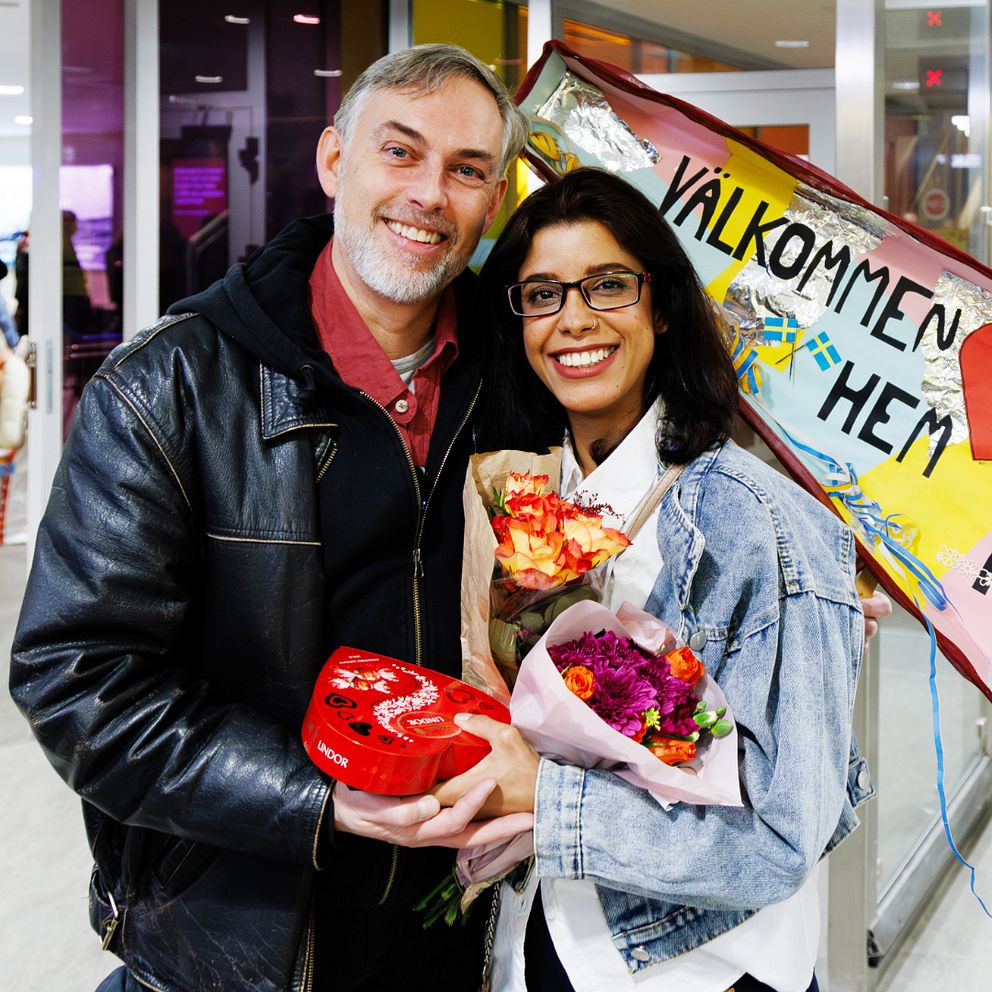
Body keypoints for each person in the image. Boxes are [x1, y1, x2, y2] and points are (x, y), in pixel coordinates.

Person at [9, 44, 532, 992]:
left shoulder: (522, 384)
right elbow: (76, 681)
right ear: (334, 161)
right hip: (236, 940)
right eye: (400, 152)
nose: (428, 195)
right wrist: (316, 798)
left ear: (494, 201)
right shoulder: (169, 387)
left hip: (464, 930)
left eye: (466, 171)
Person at [434, 167, 876, 992]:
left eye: (607, 285)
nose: (573, 319)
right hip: (543, 940)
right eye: (542, 295)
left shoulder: (760, 523)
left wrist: (549, 798)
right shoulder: (520, 495)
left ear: (661, 305)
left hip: (697, 968)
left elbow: (781, 842)